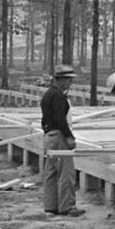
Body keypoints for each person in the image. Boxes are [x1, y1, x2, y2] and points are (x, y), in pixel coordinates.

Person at [41, 63, 83, 216]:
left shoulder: (48, 94)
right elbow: (60, 119)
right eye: (69, 80)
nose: (71, 83)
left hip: (49, 136)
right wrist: (69, 137)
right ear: (62, 80)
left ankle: (51, 206)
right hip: (58, 136)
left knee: (51, 171)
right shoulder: (58, 96)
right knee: (66, 172)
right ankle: (67, 207)